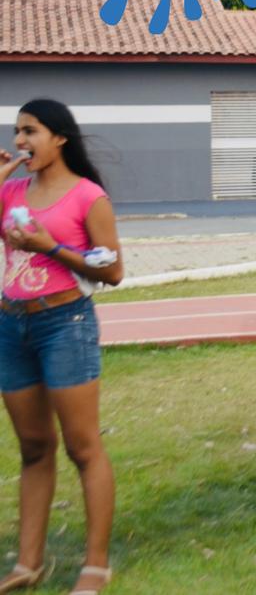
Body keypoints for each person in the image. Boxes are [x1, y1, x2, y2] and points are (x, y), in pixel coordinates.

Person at [0, 99, 125, 595]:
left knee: (82, 447)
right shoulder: (11, 192)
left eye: (30, 131)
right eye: (17, 132)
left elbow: (113, 271)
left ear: (60, 138)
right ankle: (29, 562)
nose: (20, 142)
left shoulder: (88, 197)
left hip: (64, 323)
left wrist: (48, 245)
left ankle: (95, 564)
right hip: (10, 326)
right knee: (33, 447)